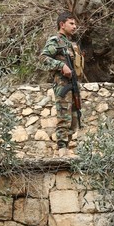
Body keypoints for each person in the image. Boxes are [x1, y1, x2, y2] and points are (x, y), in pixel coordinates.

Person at [40, 11, 84, 157]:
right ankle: (61, 150)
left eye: (75, 23)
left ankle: (67, 148)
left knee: (74, 119)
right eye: (71, 23)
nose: (75, 26)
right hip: (62, 86)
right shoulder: (56, 41)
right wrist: (61, 66)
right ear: (62, 24)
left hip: (73, 85)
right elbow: (43, 59)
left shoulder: (70, 44)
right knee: (63, 117)